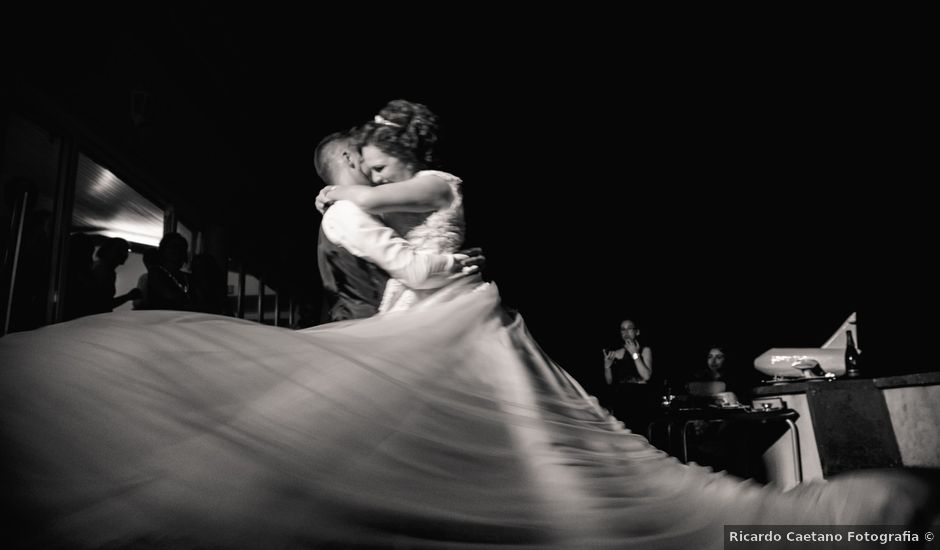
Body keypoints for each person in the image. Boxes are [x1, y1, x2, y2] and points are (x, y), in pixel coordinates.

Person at [0, 100, 936, 548]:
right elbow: (363, 241)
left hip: (453, 320)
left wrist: (396, 238)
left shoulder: (431, 184)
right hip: (425, 320)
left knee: (539, 450)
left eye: (361, 153)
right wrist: (407, 252)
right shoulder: (376, 204)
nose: (354, 166)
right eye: (345, 158)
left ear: (389, 149)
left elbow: (370, 222)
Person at [314, 129, 482, 322]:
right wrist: (457, 263)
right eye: (366, 159)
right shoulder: (347, 211)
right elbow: (414, 271)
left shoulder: (355, 208)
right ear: (349, 158)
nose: (376, 175)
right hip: (372, 333)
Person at [601, 318, 655, 433]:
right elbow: (609, 381)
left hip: (640, 398)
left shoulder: (645, 350)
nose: (626, 332)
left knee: (639, 433)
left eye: (629, 328)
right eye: (623, 329)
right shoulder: (616, 353)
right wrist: (607, 366)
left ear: (637, 332)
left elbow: (646, 376)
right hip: (622, 398)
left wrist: (635, 354)